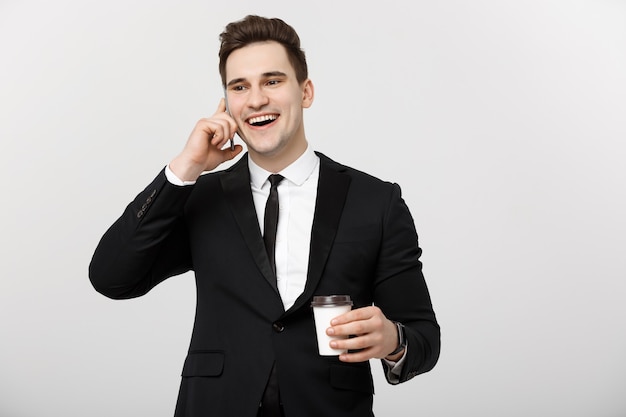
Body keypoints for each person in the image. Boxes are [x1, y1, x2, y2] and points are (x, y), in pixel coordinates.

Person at [89, 15, 440, 417]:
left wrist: (393, 340)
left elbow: (424, 338)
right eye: (240, 87)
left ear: (305, 92)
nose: (255, 99)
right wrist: (185, 167)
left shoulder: (375, 201)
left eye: (272, 81)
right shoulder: (201, 197)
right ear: (227, 104)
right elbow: (111, 277)